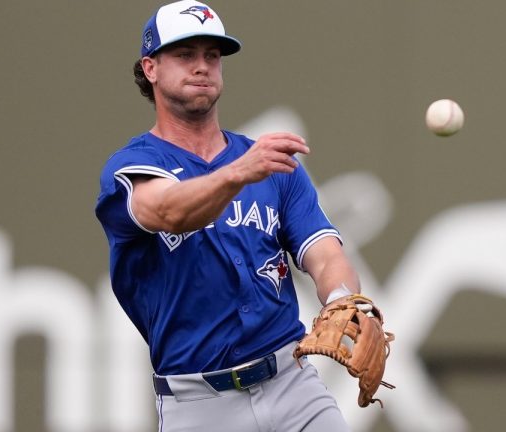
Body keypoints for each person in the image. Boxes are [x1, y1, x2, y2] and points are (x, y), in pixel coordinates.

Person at [95, 1, 361, 430]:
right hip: (200, 402)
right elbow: (169, 210)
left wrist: (342, 300)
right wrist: (238, 172)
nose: (202, 66)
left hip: (292, 385)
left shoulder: (271, 166)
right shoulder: (131, 168)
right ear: (150, 68)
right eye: (185, 55)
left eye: (212, 56)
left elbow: (325, 254)